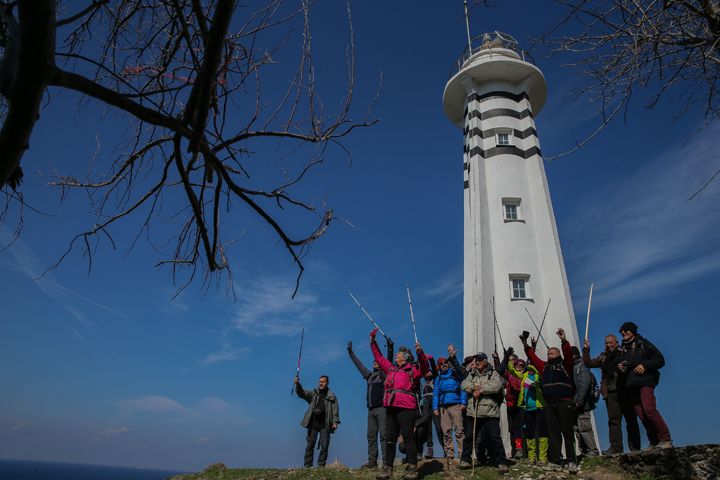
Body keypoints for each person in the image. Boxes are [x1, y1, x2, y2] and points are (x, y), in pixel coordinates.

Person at [370, 328, 429, 480]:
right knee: (389, 439)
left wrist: (420, 353)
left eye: (399, 353)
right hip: (390, 407)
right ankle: (387, 469)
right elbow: (379, 357)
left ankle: (412, 468)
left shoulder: (413, 370)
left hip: (407, 408)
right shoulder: (391, 369)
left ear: (406, 357)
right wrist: (373, 341)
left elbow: (425, 367)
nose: (397, 354)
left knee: (408, 437)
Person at [522, 328, 578, 472]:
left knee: (567, 432)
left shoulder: (565, 365)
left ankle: (571, 460)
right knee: (553, 432)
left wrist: (564, 340)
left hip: (564, 401)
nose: (549, 355)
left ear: (558, 354)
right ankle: (555, 459)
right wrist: (525, 343)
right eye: (548, 354)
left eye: (552, 353)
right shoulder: (544, 367)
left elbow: (568, 354)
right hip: (549, 403)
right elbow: (532, 357)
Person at [617, 322, 672, 450]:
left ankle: (665, 439)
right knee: (642, 415)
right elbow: (626, 364)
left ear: (633, 332)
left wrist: (645, 366)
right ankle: (654, 442)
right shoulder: (623, 348)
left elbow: (660, 359)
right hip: (631, 384)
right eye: (622, 331)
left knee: (649, 410)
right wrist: (622, 367)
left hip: (645, 382)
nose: (623, 333)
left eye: (626, 331)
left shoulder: (643, 343)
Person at [583, 334, 640, 454]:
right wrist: (586, 349)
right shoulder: (603, 357)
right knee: (614, 420)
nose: (609, 345)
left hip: (625, 390)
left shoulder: (623, 353)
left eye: (611, 342)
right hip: (610, 391)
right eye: (606, 343)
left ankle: (635, 447)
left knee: (631, 419)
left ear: (617, 342)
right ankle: (615, 448)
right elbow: (588, 363)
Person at [347, 337, 394, 468]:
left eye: (377, 361)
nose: (375, 362)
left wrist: (390, 348)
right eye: (373, 361)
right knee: (371, 436)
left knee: (384, 436)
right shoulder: (369, 375)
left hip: (382, 409)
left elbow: (388, 361)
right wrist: (351, 353)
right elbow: (359, 365)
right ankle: (372, 461)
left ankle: (386, 462)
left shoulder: (384, 374)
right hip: (371, 410)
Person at [459, 352, 509, 474]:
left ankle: (501, 462)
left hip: (490, 411)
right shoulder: (472, 373)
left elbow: (496, 386)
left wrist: (480, 390)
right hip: (473, 411)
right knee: (469, 437)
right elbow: (464, 384)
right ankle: (466, 459)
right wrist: (473, 389)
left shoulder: (493, 373)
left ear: (486, 361)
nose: (476, 362)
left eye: (479, 360)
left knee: (495, 437)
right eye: (475, 360)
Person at [508, 353, 548, 464]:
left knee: (542, 431)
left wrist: (537, 384)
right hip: (527, 408)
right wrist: (508, 357)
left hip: (538, 407)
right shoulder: (524, 376)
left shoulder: (538, 376)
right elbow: (512, 370)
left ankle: (543, 457)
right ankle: (532, 457)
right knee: (529, 433)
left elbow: (542, 384)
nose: (530, 368)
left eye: (532, 366)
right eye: (529, 367)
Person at [294, 375, 340, 468]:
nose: (321, 383)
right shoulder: (314, 393)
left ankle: (321, 466)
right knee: (310, 445)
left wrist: (335, 422)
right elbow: (301, 393)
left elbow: (335, 411)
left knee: (324, 445)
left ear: (327, 383)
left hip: (325, 424)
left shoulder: (332, 396)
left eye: (323, 382)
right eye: (319, 381)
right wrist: (297, 384)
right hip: (313, 423)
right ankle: (307, 465)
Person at [433, 357, 466, 461]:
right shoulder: (438, 379)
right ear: (439, 366)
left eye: (445, 362)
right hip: (443, 407)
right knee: (446, 431)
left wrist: (463, 402)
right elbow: (436, 393)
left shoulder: (455, 375)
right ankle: (449, 454)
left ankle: (462, 453)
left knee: (459, 430)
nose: (444, 364)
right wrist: (435, 407)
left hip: (456, 405)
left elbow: (463, 389)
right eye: (441, 363)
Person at [570, 346, 600, 457]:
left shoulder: (581, 366)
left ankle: (592, 449)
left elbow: (584, 384)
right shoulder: (573, 366)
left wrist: (579, 399)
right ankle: (584, 451)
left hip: (582, 403)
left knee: (584, 427)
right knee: (577, 428)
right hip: (574, 402)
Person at [495, 349, 524, 459]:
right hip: (510, 405)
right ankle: (515, 451)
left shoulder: (522, 372)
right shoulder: (508, 374)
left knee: (521, 429)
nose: (511, 363)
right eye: (509, 360)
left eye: (513, 360)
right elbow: (499, 371)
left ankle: (524, 452)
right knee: (512, 429)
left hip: (522, 405)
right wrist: (497, 359)